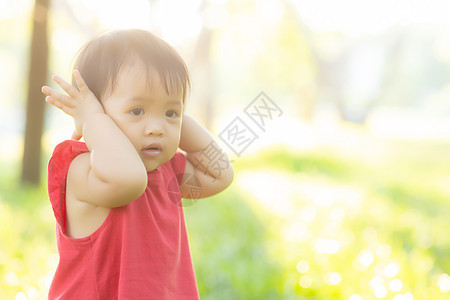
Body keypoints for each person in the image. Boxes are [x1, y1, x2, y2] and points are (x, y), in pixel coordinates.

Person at [41, 29, 234, 299]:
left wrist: (176, 115)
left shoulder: (165, 172)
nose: (156, 128)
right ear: (96, 110)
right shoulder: (81, 169)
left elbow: (220, 174)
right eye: (137, 111)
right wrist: (93, 120)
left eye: (170, 113)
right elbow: (129, 180)